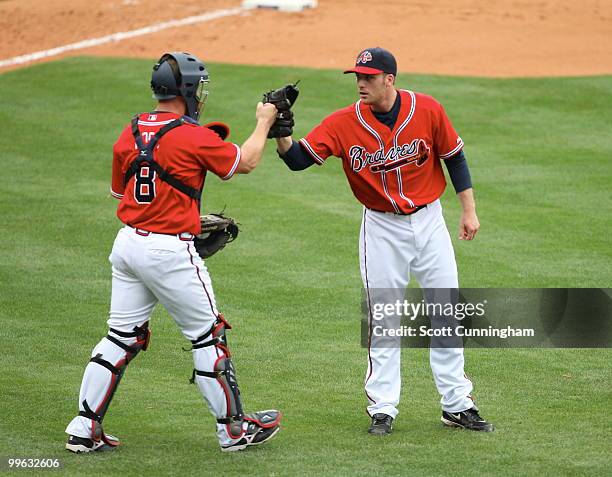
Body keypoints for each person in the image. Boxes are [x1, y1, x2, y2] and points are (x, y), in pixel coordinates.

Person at [65, 52, 282, 453]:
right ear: (185, 91)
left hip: (128, 245)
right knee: (208, 338)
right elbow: (246, 162)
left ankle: (83, 426)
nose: (201, 94)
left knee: (120, 338)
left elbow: (123, 192)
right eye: (198, 87)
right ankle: (234, 431)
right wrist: (264, 121)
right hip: (169, 252)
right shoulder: (193, 135)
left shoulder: (129, 131)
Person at [274, 47, 494, 435]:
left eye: (369, 77)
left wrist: (468, 210)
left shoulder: (426, 109)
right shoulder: (343, 122)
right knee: (385, 317)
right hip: (381, 228)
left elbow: (454, 157)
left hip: (429, 222)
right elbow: (297, 161)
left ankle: (457, 404)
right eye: (358, 76)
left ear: (389, 79)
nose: (361, 83)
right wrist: (282, 135)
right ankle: (383, 407)